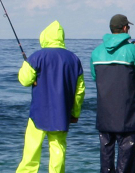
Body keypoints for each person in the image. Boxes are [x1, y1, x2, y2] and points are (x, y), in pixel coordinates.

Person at [16, 20, 86, 173]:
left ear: (44, 37)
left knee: (31, 152)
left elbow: (24, 80)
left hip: (38, 113)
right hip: (62, 113)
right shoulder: (74, 59)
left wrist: (30, 72)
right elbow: (79, 90)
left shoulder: (36, 57)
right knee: (58, 150)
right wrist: (75, 112)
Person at [90, 14, 135, 173]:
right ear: (124, 28)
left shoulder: (96, 52)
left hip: (105, 113)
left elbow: (95, 76)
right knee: (127, 156)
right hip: (126, 112)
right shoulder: (131, 49)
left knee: (106, 155)